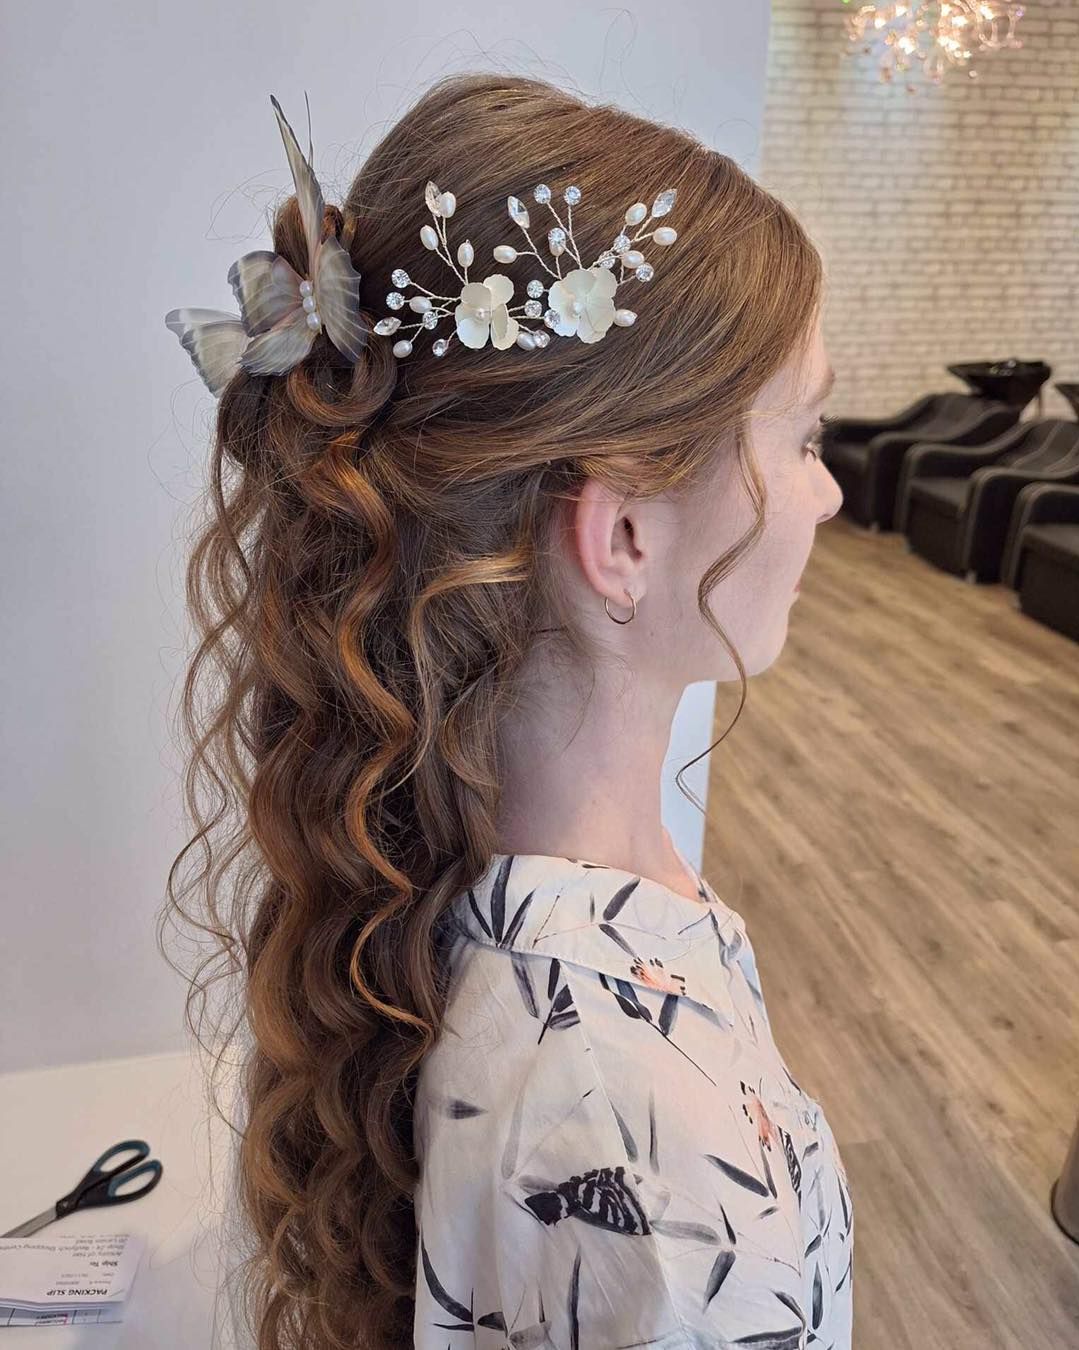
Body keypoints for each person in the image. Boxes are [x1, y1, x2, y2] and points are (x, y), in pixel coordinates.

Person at [163, 70, 849, 1350]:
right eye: (805, 437)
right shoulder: (655, 1168)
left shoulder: (443, 888)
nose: (827, 499)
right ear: (626, 532)